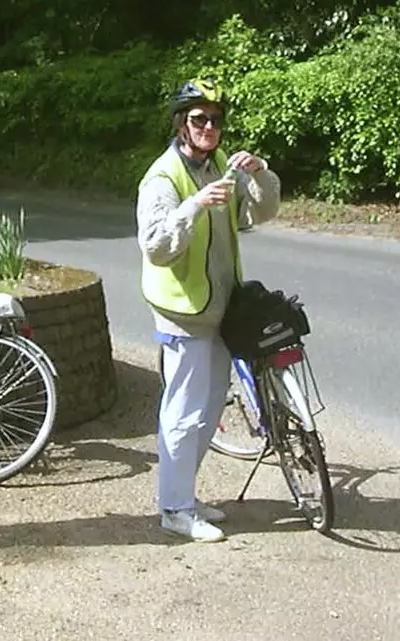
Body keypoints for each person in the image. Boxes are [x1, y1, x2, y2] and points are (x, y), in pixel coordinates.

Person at [137, 78, 282, 542]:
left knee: (208, 409)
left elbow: (258, 213)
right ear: (181, 124)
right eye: (199, 119)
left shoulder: (218, 164)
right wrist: (194, 205)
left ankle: (184, 496)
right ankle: (174, 509)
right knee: (182, 411)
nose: (209, 128)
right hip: (183, 312)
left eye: (216, 120)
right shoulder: (162, 178)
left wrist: (259, 173)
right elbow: (156, 246)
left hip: (221, 307)